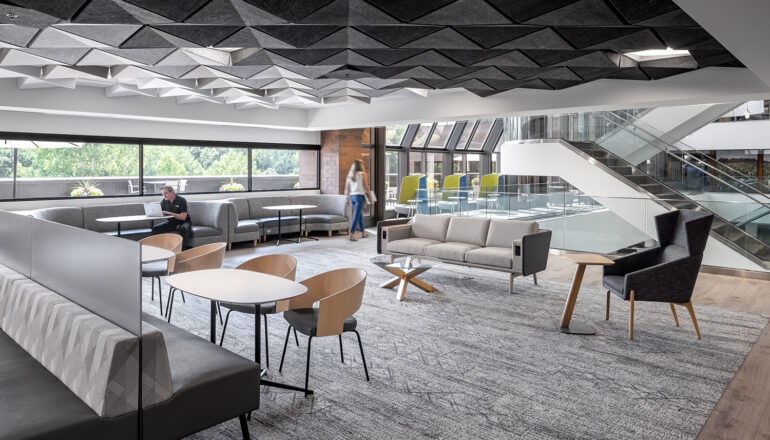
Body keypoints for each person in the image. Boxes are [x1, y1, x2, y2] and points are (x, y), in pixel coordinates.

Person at [344, 159, 373, 241]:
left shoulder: (350, 175)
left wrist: (347, 199)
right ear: (361, 165)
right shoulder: (362, 174)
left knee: (359, 214)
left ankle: (363, 232)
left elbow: (346, 189)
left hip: (352, 197)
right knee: (356, 215)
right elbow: (366, 187)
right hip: (359, 197)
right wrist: (371, 197)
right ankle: (352, 233)